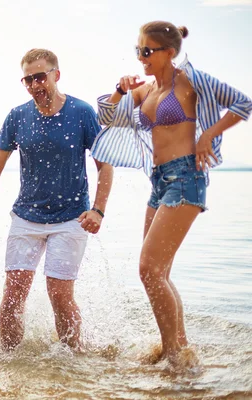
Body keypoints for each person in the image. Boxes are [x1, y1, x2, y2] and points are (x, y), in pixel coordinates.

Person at [90, 21, 251, 368]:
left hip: (186, 178)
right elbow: (106, 118)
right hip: (159, 181)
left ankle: (173, 355)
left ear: (169, 52)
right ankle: (180, 350)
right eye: (138, 51)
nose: (141, 57)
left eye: (147, 51)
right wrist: (120, 90)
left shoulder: (191, 80)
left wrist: (208, 134)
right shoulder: (144, 90)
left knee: (149, 269)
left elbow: (242, 103)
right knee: (158, 272)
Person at [0, 49, 114, 350]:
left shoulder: (82, 112)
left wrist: (98, 210)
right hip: (26, 218)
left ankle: (72, 360)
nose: (36, 85)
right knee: (12, 297)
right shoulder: (18, 116)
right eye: (28, 80)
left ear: (56, 75)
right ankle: (8, 362)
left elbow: (105, 165)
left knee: (59, 295)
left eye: (40, 77)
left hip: (72, 218)